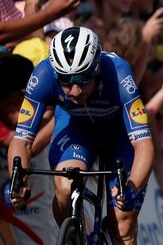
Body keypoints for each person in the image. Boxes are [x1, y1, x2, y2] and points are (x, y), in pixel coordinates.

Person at [5, 27, 154, 245]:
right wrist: (17, 182)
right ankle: (75, 238)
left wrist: (133, 188)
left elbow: (143, 144)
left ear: (97, 69)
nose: (74, 91)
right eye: (65, 81)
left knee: (122, 224)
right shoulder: (43, 75)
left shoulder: (119, 73)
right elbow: (22, 140)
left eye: (83, 80)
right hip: (78, 130)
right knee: (65, 187)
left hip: (119, 134)